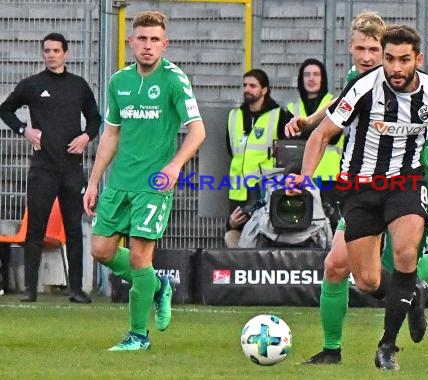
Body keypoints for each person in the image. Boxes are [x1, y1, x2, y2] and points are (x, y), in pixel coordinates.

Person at [285, 13, 428, 368]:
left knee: (405, 257)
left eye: (379, 52)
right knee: (367, 279)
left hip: (407, 183)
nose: (374, 59)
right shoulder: (360, 85)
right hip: (360, 188)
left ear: (416, 59)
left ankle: (385, 346)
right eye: (366, 50)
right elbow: (327, 126)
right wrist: (305, 170)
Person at [83, 11, 205, 351]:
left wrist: (176, 165)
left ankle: (138, 336)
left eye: (154, 40)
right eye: (142, 39)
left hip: (154, 184)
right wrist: (94, 182)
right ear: (130, 42)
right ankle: (158, 285)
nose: (148, 46)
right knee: (101, 250)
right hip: (119, 182)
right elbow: (111, 133)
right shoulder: (118, 81)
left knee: (139, 258)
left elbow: (198, 130)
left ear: (165, 45)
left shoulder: (174, 80)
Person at [0, 32, 101, 303]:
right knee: (35, 228)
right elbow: (5, 109)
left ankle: (77, 289)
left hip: (71, 169)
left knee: (73, 229)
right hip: (42, 168)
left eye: (56, 50)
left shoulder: (78, 85)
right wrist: (24, 130)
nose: (51, 54)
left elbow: (95, 118)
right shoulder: (32, 84)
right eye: (47, 50)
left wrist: (85, 137)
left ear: (65, 53)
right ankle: (30, 289)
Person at [225, 69, 293, 248]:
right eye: (245, 85)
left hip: (266, 191)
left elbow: (290, 153)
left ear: (264, 90)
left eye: (253, 86)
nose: (247, 89)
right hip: (238, 191)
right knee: (234, 233)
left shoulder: (280, 116)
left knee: (266, 237)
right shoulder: (234, 116)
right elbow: (231, 150)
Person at [287, 59, 342, 229]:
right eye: (307, 74)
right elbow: (288, 140)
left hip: (330, 177)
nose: (311, 79)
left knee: (331, 223)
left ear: (323, 78)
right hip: (301, 174)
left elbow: (332, 137)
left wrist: (306, 128)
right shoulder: (291, 107)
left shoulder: (336, 102)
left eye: (316, 74)